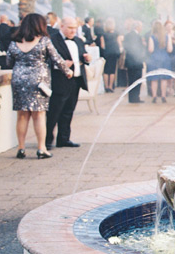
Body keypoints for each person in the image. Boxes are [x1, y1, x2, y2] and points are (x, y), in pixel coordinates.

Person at [7, 13, 72, 159]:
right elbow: (57, 59)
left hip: (19, 80)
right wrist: (68, 72)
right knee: (39, 114)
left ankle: (21, 148)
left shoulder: (14, 42)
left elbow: (9, 61)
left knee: (22, 115)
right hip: (39, 81)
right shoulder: (44, 41)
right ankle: (41, 148)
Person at [46, 17, 90, 149]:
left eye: (75, 28)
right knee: (54, 111)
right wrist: (61, 65)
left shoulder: (78, 40)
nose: (73, 31)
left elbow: (82, 56)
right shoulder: (53, 40)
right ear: (62, 26)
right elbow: (47, 59)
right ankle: (47, 140)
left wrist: (86, 58)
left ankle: (64, 138)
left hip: (76, 80)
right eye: (70, 28)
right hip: (60, 79)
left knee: (69, 110)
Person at [122, 20, 146, 103]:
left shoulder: (127, 35)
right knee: (137, 80)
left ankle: (132, 98)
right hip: (136, 61)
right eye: (141, 27)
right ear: (137, 27)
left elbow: (125, 46)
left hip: (130, 61)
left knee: (131, 80)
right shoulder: (137, 36)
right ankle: (136, 97)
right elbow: (139, 48)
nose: (141, 28)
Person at [100, 18, 122, 92]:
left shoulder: (103, 34)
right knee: (112, 70)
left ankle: (106, 86)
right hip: (114, 52)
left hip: (107, 52)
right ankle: (111, 86)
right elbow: (119, 43)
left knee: (106, 70)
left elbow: (102, 46)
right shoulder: (116, 34)